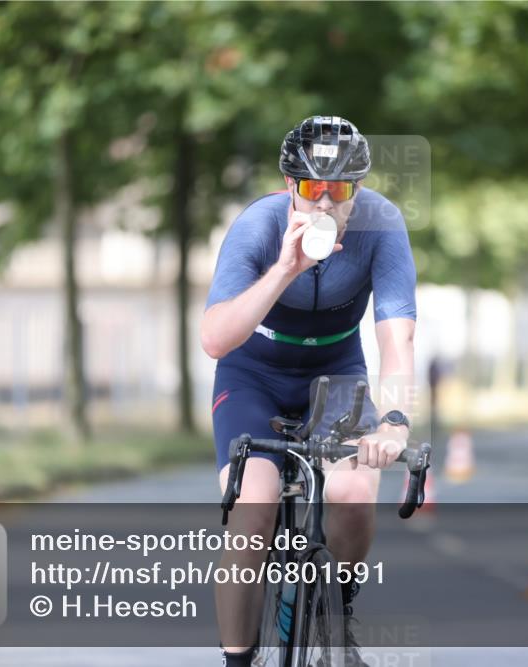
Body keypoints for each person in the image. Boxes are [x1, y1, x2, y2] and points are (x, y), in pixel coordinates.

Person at [201, 116, 417, 667]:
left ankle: (337, 618)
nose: (323, 203)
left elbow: (396, 337)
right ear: (288, 185)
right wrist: (284, 268)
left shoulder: (382, 225)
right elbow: (214, 340)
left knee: (351, 495)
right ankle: (237, 661)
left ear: (357, 191)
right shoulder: (259, 224)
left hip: (336, 376)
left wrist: (393, 419)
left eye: (338, 190)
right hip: (254, 374)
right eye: (310, 189)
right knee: (253, 511)